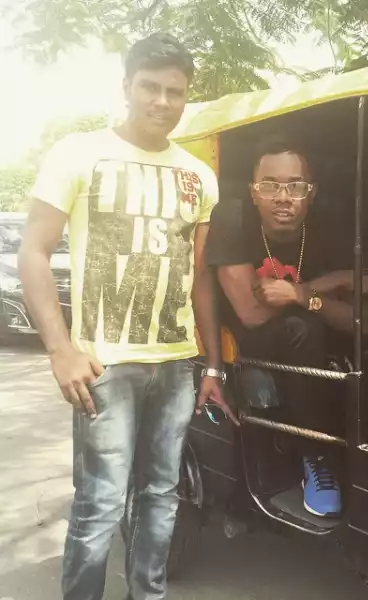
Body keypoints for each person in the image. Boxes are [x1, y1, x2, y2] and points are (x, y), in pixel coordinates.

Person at [18, 33, 230, 600]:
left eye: (175, 91)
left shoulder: (198, 176)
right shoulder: (77, 153)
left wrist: (213, 366)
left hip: (177, 365)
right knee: (100, 505)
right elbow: (33, 252)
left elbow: (200, 276)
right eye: (150, 88)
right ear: (127, 87)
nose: (162, 101)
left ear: (188, 96)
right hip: (104, 368)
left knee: (161, 497)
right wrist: (61, 350)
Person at [205, 136, 368, 517]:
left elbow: (366, 322)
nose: (284, 196)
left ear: (311, 193)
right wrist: (335, 283)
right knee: (304, 329)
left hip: (312, 334)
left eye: (295, 185)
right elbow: (251, 312)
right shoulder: (233, 218)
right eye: (270, 185)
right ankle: (316, 458)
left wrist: (302, 294)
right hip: (248, 346)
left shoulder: (328, 230)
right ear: (253, 192)